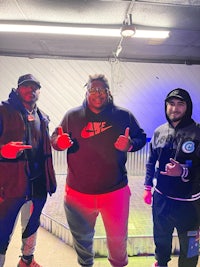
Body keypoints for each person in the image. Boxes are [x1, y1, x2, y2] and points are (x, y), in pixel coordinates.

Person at [51, 74, 146, 267]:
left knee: (118, 241)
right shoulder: (72, 116)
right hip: (78, 194)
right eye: (93, 90)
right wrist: (58, 143)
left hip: (115, 193)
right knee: (83, 241)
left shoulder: (123, 115)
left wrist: (130, 144)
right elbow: (55, 138)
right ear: (86, 92)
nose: (98, 94)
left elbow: (141, 137)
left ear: (109, 93)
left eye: (102, 90)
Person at [0, 74, 57, 267]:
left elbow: (44, 146)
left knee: (32, 225)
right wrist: (2, 151)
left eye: (35, 87)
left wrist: (57, 143)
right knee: (2, 228)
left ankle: (26, 260)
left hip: (38, 184)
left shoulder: (43, 117)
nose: (30, 90)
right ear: (17, 89)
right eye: (26, 86)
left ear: (39, 92)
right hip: (10, 186)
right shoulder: (3, 111)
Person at [143, 88, 200, 267]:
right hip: (162, 199)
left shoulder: (197, 132)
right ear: (166, 106)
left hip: (190, 204)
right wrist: (147, 187)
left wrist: (182, 171)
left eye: (180, 104)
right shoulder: (159, 132)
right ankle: (161, 263)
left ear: (187, 107)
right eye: (171, 104)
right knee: (161, 238)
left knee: (191, 246)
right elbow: (151, 161)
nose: (175, 108)